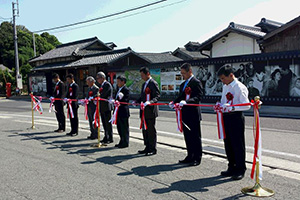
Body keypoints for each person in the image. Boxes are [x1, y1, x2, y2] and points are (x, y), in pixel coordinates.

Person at [217, 65, 251, 180]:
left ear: (231, 75)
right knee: (228, 143)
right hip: (226, 117)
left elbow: (246, 105)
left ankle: (240, 168)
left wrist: (232, 108)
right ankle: (231, 166)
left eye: (223, 78)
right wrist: (219, 106)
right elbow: (223, 100)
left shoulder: (239, 87)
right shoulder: (225, 86)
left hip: (236, 117)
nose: (222, 81)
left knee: (238, 144)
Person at [171, 63, 203, 166]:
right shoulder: (183, 84)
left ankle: (197, 158)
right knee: (188, 136)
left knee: (195, 136)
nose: (182, 75)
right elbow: (181, 96)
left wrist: (187, 102)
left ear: (190, 71)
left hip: (193, 114)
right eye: (181, 73)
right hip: (185, 114)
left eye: (184, 73)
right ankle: (190, 155)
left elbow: (198, 97)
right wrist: (174, 102)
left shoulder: (196, 82)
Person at [137, 67, 160, 156]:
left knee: (151, 130)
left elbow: (157, 96)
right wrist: (137, 101)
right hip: (143, 111)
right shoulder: (144, 84)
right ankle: (147, 146)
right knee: (144, 130)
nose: (142, 77)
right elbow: (142, 96)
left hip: (150, 111)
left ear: (148, 74)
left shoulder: (153, 83)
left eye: (142, 75)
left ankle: (152, 148)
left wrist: (149, 102)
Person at [96, 72, 114, 144]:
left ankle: (110, 137)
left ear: (102, 78)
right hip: (102, 107)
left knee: (108, 123)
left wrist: (99, 97)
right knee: (104, 123)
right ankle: (106, 136)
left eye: (98, 78)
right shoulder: (101, 85)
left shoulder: (107, 85)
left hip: (107, 107)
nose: (97, 80)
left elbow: (105, 94)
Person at [114, 75, 130, 148]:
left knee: (124, 127)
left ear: (123, 82)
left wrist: (121, 100)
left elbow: (126, 100)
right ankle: (121, 140)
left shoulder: (126, 89)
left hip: (123, 111)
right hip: (118, 111)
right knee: (119, 127)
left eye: (119, 81)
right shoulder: (118, 89)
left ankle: (125, 142)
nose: (117, 83)